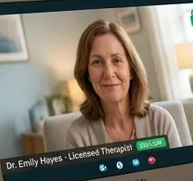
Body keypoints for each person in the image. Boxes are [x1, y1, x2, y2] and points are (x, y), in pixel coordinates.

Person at [64, 19, 183, 151]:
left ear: (131, 70)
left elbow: (180, 172)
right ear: (87, 75)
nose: (109, 73)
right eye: (97, 62)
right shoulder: (77, 135)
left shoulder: (160, 121)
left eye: (117, 60)